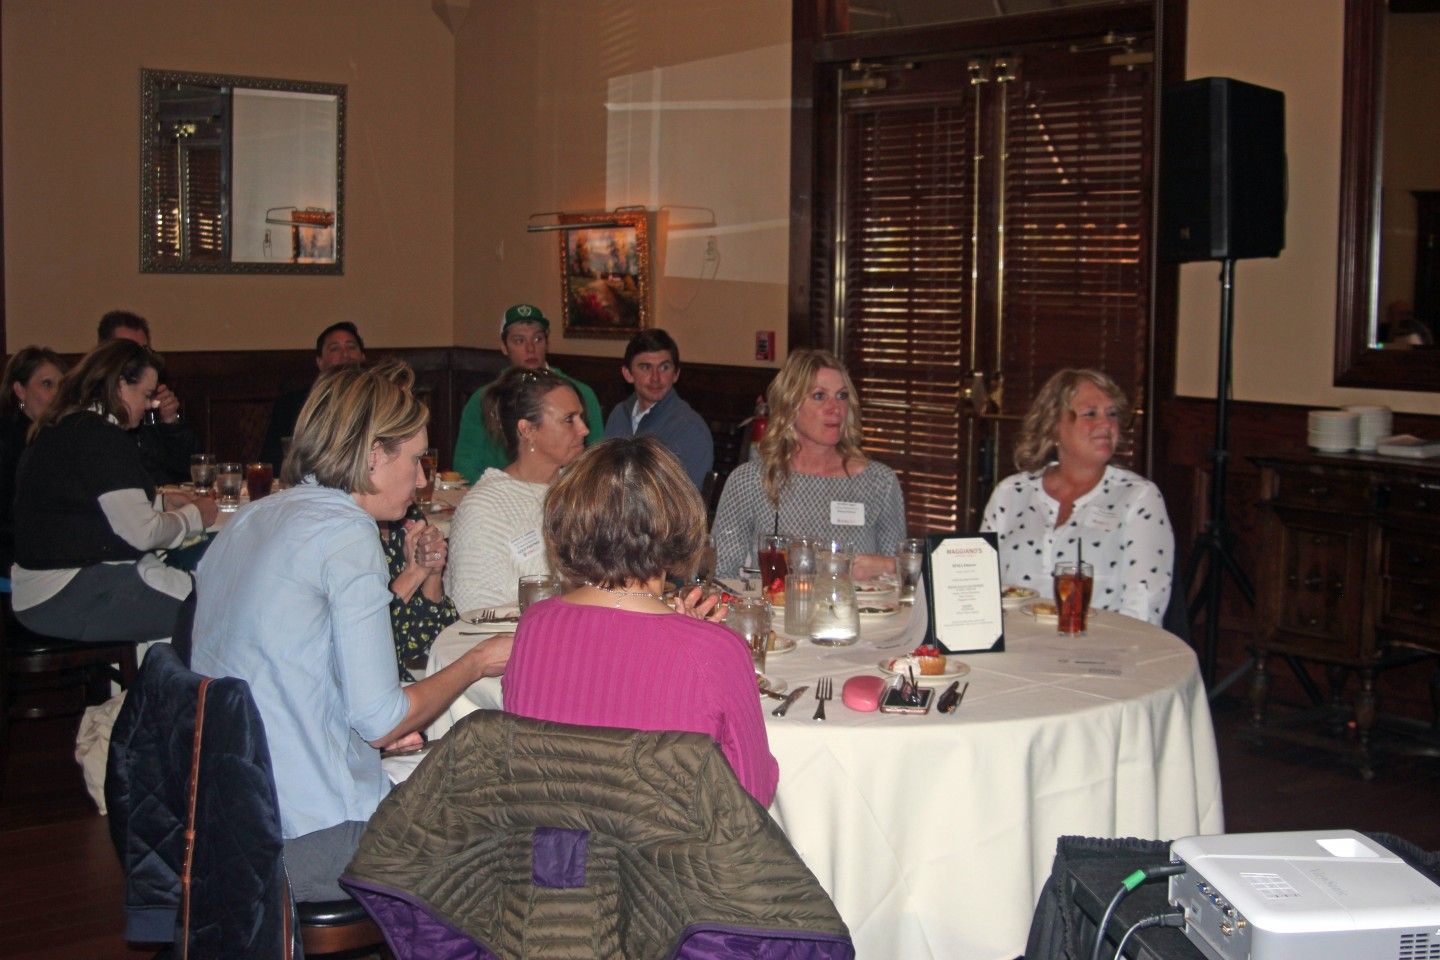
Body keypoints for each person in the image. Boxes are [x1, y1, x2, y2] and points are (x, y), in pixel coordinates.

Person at [191, 360, 512, 901]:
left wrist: (366, 725)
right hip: (307, 838)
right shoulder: (346, 533)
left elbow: (288, 668)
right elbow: (382, 721)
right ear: (372, 455)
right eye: (414, 460)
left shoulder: (255, 515)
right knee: (506, 828)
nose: (421, 479)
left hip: (223, 823)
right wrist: (478, 661)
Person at [502, 437, 778, 806]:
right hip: (670, 861)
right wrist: (697, 643)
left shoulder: (535, 626)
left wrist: (687, 638)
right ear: (678, 526)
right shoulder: (716, 651)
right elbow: (753, 795)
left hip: (556, 857)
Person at [11, 340, 218, 640]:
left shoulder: (69, 424)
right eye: (146, 395)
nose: (150, 405)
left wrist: (160, 502)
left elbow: (88, 505)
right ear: (119, 385)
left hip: (42, 590)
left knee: (197, 592)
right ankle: (163, 685)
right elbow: (142, 534)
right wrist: (194, 515)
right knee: (216, 608)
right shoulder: (100, 436)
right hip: (68, 595)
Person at [979, 368, 1173, 625]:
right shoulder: (1010, 493)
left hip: (1098, 654)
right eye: (1090, 414)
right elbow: (978, 588)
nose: (1106, 424)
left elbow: (1144, 612)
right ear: (1053, 426)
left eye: (1112, 414)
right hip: (1014, 652)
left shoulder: (1137, 497)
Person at [712, 349, 905, 581]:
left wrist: (887, 566)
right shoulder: (751, 481)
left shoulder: (878, 482)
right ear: (790, 405)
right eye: (819, 396)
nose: (835, 408)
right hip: (776, 614)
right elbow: (720, 576)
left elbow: (903, 575)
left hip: (859, 615)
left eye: (842, 396)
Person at [444, 366, 589, 612]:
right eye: (569, 420)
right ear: (527, 430)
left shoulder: (582, 491)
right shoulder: (486, 508)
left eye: (581, 418)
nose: (584, 429)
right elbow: (474, 608)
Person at [451, 304, 603, 482]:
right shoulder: (483, 398)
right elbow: (464, 468)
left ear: (547, 343)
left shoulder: (581, 394)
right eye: (519, 341)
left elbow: (597, 462)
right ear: (504, 347)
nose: (531, 349)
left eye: (538, 339)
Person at [603, 328, 714, 489]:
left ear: (676, 374)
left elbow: (686, 504)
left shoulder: (690, 428)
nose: (656, 378)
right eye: (645, 367)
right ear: (628, 374)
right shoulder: (619, 414)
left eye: (664, 368)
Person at [99, 310, 199, 484]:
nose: (140, 361)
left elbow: (190, 468)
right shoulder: (94, 416)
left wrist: (171, 422)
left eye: (143, 351)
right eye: (129, 353)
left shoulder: (153, 399)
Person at [258, 321, 367, 470]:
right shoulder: (292, 405)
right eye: (335, 349)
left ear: (362, 356)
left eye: (351, 347)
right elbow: (272, 460)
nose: (345, 354)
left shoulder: (380, 401)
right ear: (320, 362)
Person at [0, 346, 66, 577]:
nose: (58, 394)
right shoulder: (9, 440)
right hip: (17, 553)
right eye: (47, 385)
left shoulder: (57, 435)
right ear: (20, 390)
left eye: (62, 385)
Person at [383, 506, 457, 681]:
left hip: (399, 686)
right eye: (414, 475)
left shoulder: (405, 517)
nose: (422, 482)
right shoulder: (343, 535)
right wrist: (413, 574)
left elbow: (425, 642)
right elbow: (367, 639)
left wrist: (433, 573)